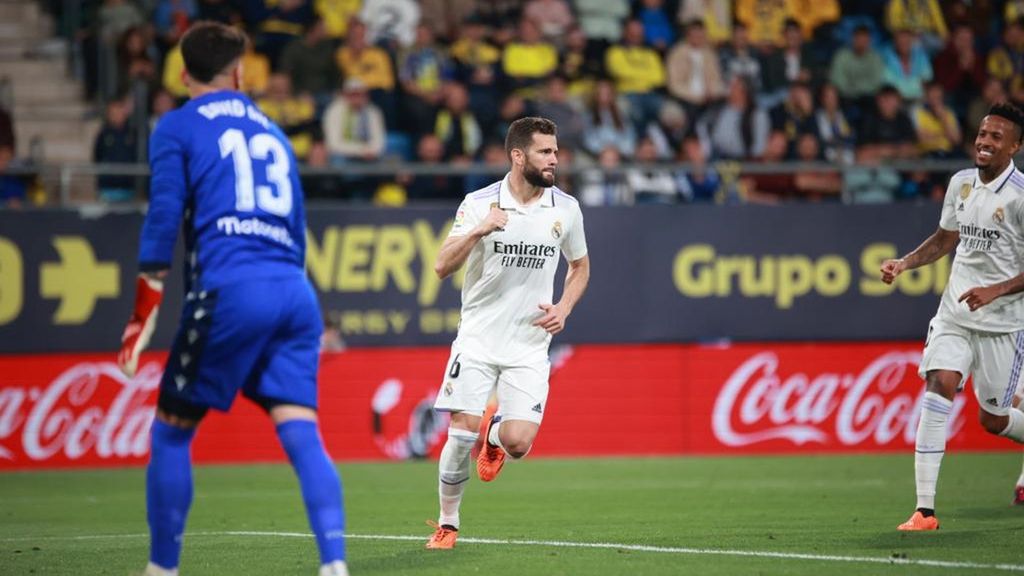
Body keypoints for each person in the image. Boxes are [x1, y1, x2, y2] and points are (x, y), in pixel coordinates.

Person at [116, 22, 348, 575]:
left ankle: (161, 569)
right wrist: (317, 310)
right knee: (300, 429)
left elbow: (164, 216)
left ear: (181, 74)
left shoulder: (176, 125)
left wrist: (143, 307)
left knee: (172, 430)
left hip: (232, 289)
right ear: (240, 73)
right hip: (293, 294)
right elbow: (297, 229)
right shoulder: (272, 130)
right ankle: (334, 566)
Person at [424, 117, 590, 548]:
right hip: (478, 339)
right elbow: (442, 266)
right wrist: (480, 228)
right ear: (518, 156)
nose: (554, 159)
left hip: (531, 343)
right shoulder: (480, 203)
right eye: (544, 152)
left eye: (555, 151)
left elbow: (580, 266)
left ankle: (495, 438)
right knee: (461, 434)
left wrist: (565, 307)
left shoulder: (565, 208)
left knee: (518, 442)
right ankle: (448, 522)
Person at [880, 102, 1024, 531]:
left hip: (1002, 325)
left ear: (1015, 146)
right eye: (982, 133)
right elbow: (946, 239)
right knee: (939, 383)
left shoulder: (1020, 197)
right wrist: (904, 263)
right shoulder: (960, 183)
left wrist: (995, 290)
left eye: (996, 137)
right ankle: (925, 510)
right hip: (956, 315)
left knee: (993, 419)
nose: (984, 142)